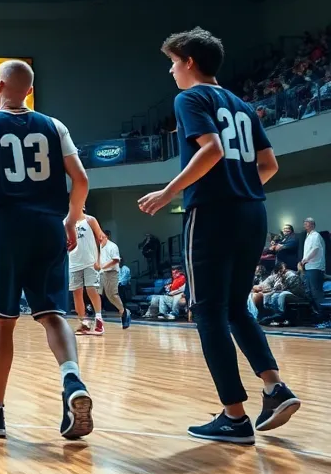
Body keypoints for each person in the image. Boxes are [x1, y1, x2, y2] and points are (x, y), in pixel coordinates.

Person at [138, 27, 299, 443]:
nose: (171, 71)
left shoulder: (190, 97)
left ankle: (234, 416)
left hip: (212, 214)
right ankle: (273, 387)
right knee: (236, 308)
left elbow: (211, 149)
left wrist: (169, 191)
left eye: (173, 62)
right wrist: (241, 186)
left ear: (189, 62)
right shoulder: (242, 105)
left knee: (207, 311)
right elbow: (269, 164)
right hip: (252, 211)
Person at [0, 60, 94, 441]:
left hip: (8, 226)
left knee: (3, 321)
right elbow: (81, 179)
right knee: (53, 315)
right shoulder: (55, 125)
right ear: (29, 90)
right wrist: (70, 220)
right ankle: (72, 380)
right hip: (49, 225)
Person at [69, 212, 107, 336]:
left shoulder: (90, 220)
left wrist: (99, 259)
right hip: (74, 263)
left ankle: (99, 320)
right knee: (77, 293)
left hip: (90, 262)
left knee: (91, 290)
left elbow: (102, 238)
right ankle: (83, 322)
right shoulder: (66, 222)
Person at [96, 234, 130, 328]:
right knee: (95, 293)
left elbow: (115, 260)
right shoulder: (99, 246)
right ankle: (97, 316)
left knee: (112, 295)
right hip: (102, 273)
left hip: (111, 272)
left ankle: (124, 311)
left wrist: (103, 266)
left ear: (105, 237)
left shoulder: (112, 246)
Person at [297, 217, 325, 323]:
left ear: (312, 224)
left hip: (315, 267)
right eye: (304, 223)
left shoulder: (315, 235)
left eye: (306, 223)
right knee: (309, 292)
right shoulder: (308, 236)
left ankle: (324, 317)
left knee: (316, 292)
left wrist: (305, 260)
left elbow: (315, 249)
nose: (304, 225)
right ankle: (317, 315)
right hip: (309, 267)